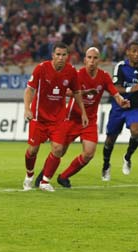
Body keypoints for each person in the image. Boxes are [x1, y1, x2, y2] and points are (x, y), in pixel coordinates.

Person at [39, 47, 130, 188]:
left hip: (89, 121)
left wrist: (121, 101)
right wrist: (84, 92)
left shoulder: (104, 76)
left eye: (95, 58)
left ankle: (64, 177)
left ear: (99, 60)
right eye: (89, 58)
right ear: (84, 60)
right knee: (59, 151)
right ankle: (43, 175)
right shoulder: (77, 74)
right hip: (72, 118)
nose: (92, 61)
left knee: (89, 153)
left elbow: (114, 92)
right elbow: (66, 91)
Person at [22, 42, 88, 192]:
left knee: (58, 149)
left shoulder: (71, 71)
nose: (61, 57)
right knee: (32, 150)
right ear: (53, 55)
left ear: (67, 56)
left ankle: (45, 181)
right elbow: (30, 89)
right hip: (38, 117)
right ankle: (29, 175)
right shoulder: (41, 68)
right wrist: (27, 109)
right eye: (58, 54)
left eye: (64, 55)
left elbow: (77, 92)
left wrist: (83, 112)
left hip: (58, 118)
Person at [102, 41, 138, 181]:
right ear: (128, 52)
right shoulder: (121, 67)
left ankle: (127, 157)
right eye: (134, 51)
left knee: (136, 131)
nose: (136, 54)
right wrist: (130, 89)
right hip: (119, 107)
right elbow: (114, 88)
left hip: (134, 108)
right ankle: (106, 165)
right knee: (110, 139)